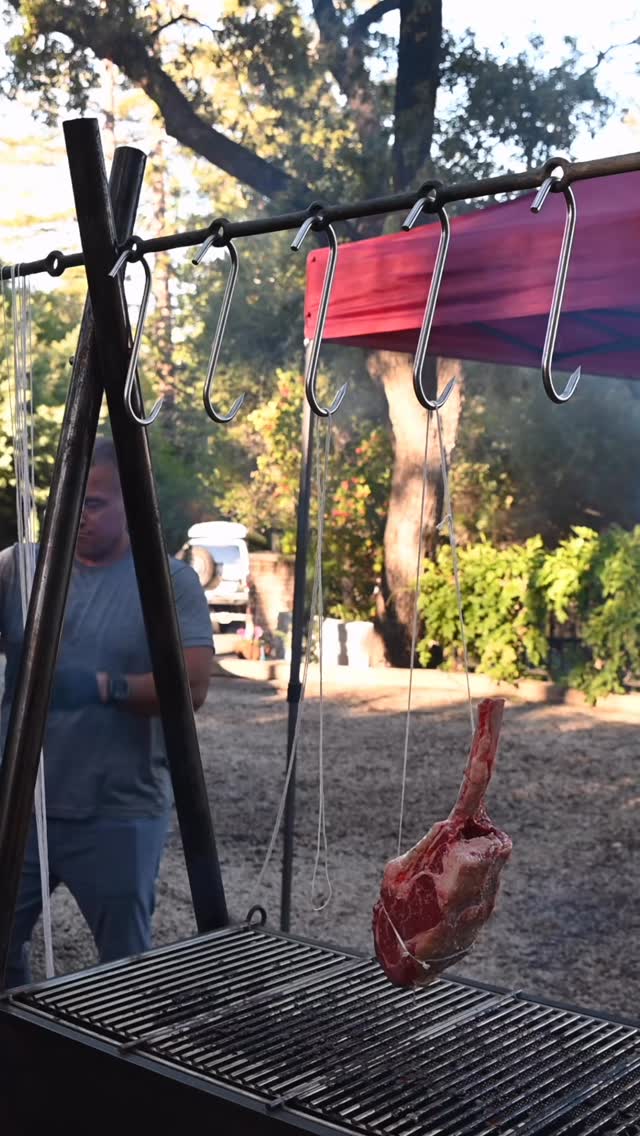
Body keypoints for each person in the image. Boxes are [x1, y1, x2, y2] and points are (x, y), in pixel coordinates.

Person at [1, 436, 213, 988]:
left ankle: (107, 1068)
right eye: (68, 500)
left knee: (123, 974)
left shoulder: (169, 582)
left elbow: (192, 687)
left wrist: (103, 687)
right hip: (23, 810)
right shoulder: (19, 569)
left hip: (119, 813)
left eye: (92, 503)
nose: (76, 515)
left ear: (131, 503)